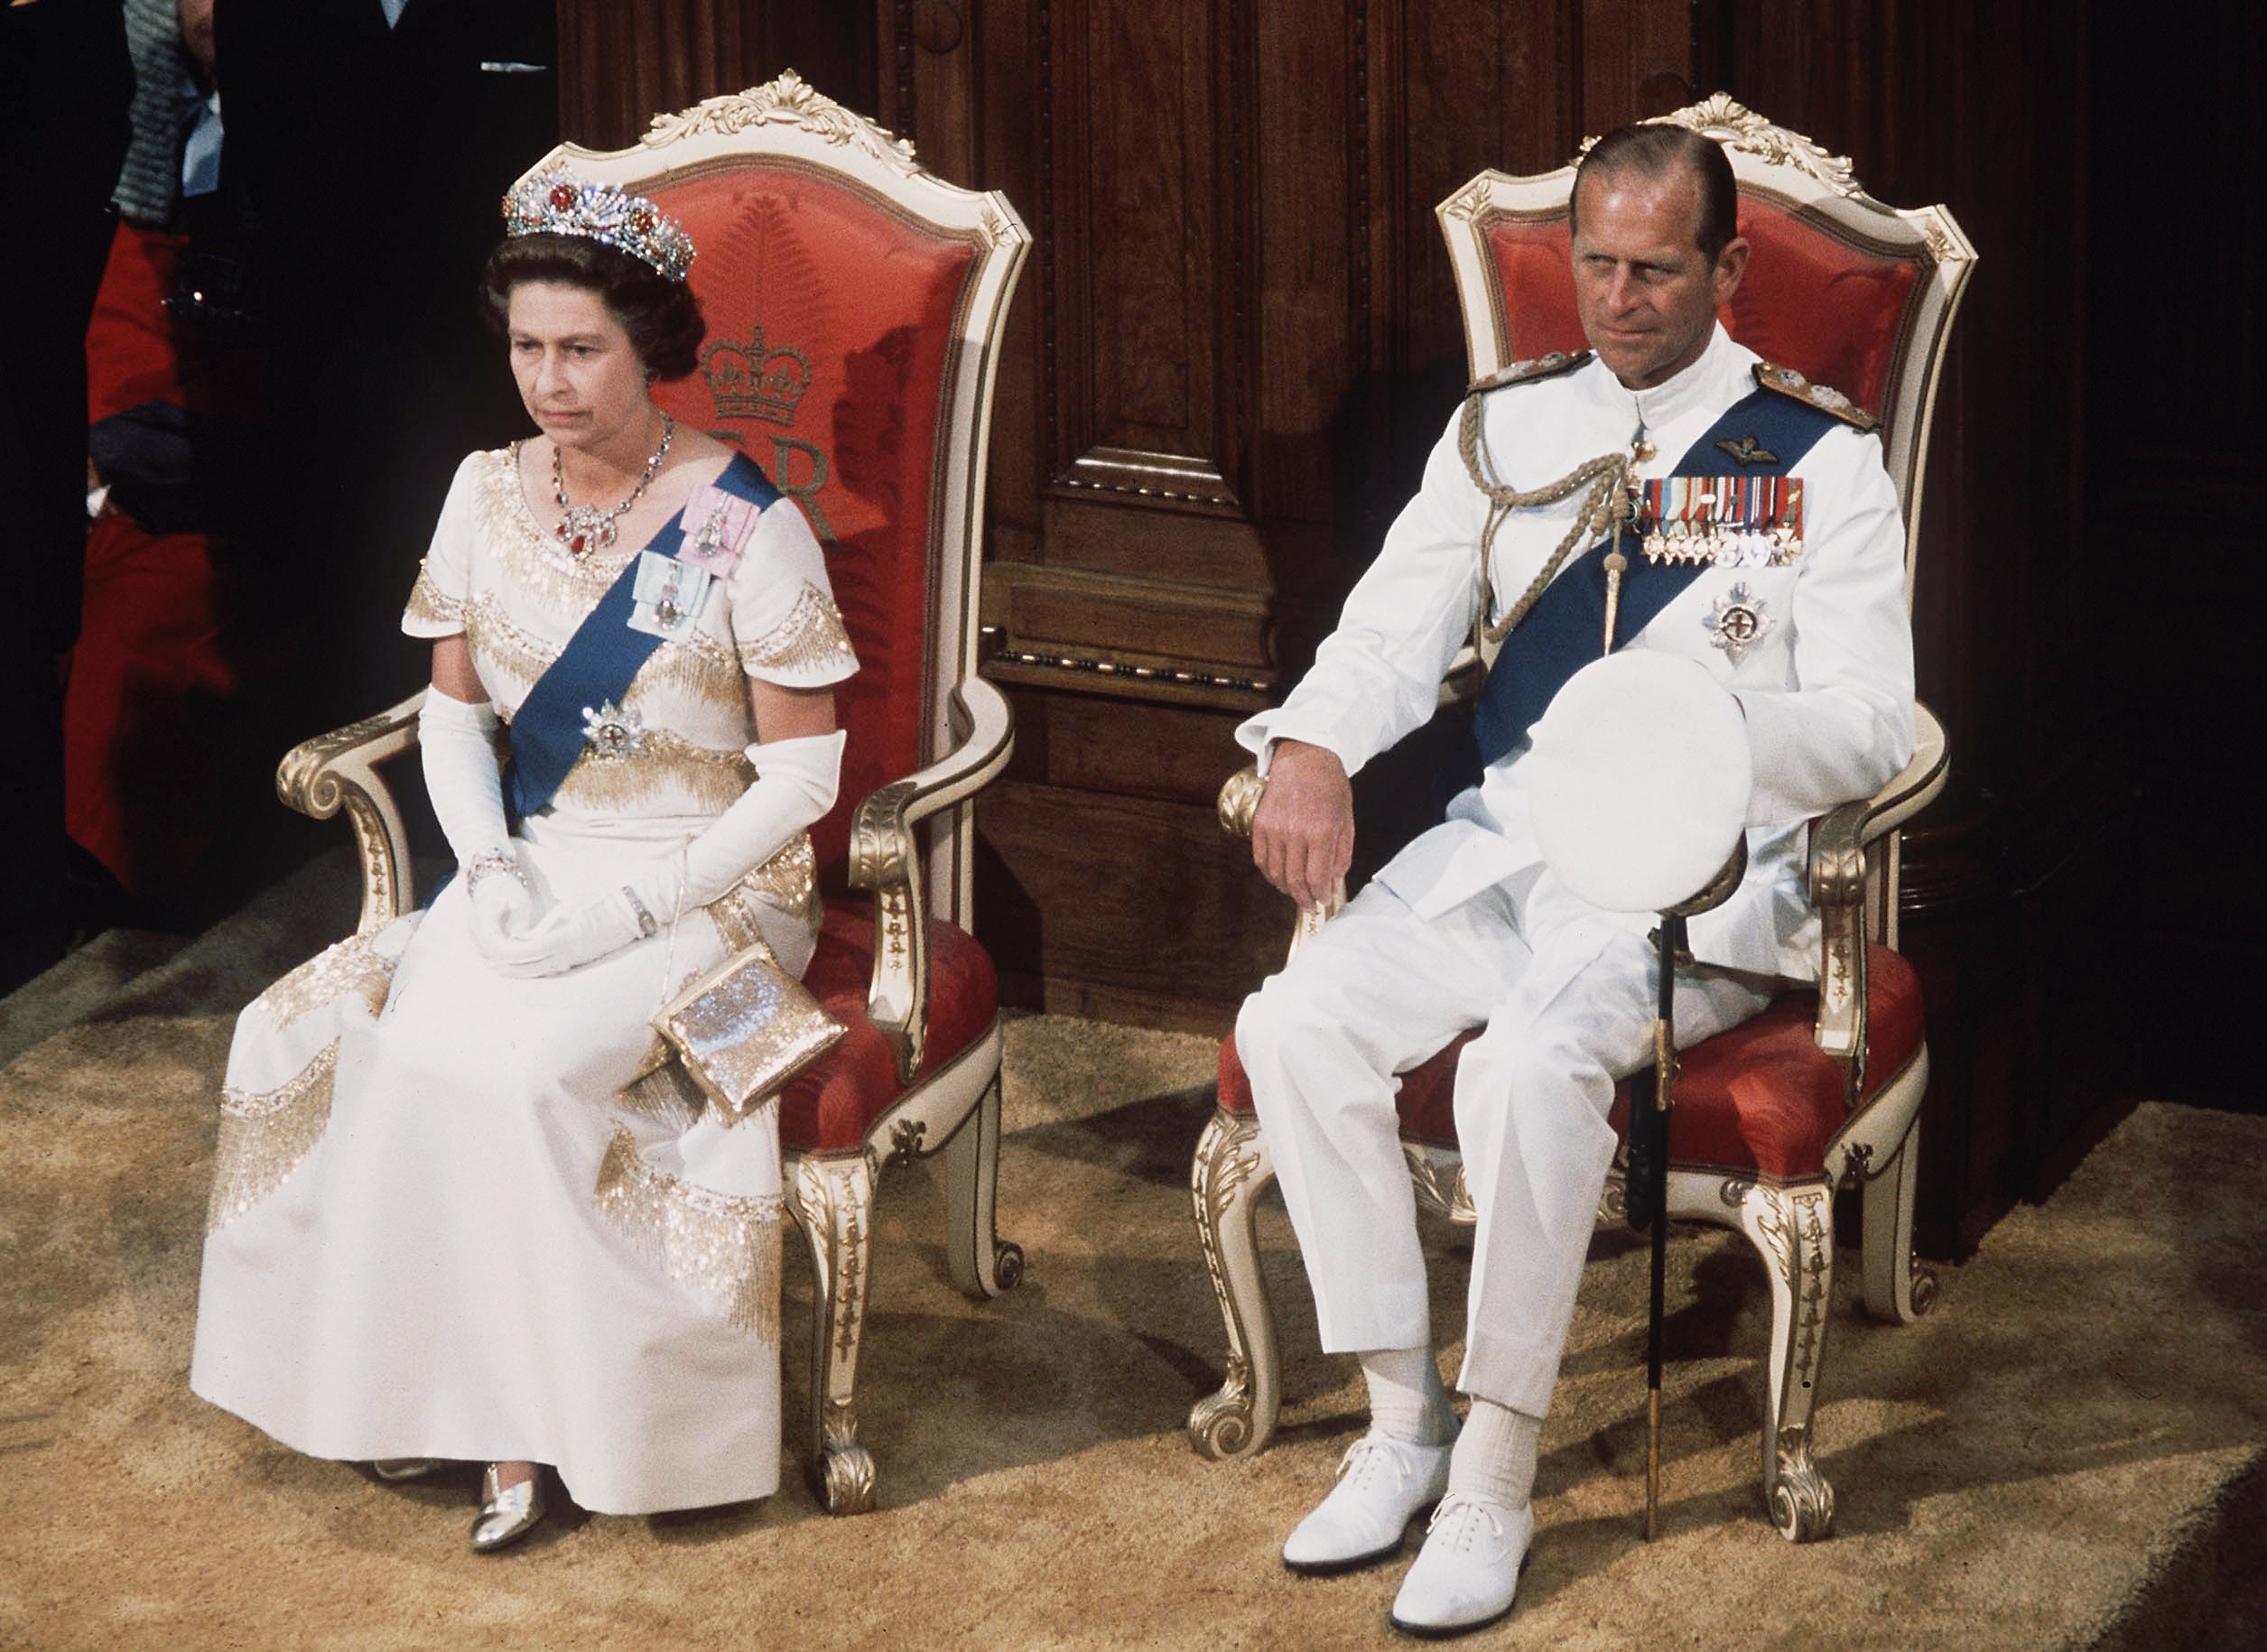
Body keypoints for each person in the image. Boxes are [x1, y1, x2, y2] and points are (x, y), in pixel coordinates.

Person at [1234, 124, 1915, 1636]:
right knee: (1295, 1024)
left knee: (1531, 1067)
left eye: (1655, 268)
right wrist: (1310, 747)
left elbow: (1878, 721)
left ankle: (1495, 1466)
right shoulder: (1509, 430)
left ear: (1727, 267)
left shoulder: (1819, 460)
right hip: (1515, 845)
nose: (1618, 299)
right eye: (1594, 264)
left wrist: (1703, 730)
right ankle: (1403, 1419)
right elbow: (1394, 625)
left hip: (1697, 876)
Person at [190, 172, 859, 1551]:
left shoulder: (748, 522)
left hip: (715, 881)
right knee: (412, 1044)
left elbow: (803, 777)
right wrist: (488, 863)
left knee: (518, 1067)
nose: (547, 380)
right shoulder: (480, 492)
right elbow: (450, 713)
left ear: (650, 344)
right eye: (525, 347)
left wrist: (636, 900)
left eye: (581, 348)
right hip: (539, 853)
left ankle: (562, 1427)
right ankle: (460, 1404)